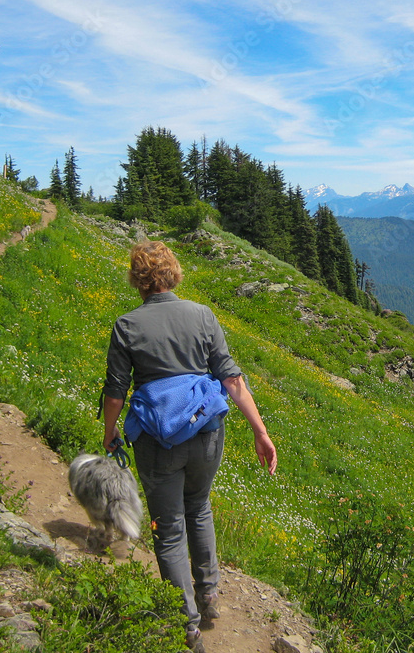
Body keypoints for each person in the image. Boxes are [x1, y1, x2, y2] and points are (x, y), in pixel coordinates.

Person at [100, 240, 277, 653]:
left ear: (138, 280)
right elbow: (232, 380)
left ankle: (188, 627)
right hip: (206, 433)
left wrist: (110, 433)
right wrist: (260, 431)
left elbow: (115, 393)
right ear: (173, 274)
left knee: (170, 529)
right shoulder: (202, 315)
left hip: (158, 441)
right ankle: (209, 595)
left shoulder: (127, 325)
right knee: (199, 506)